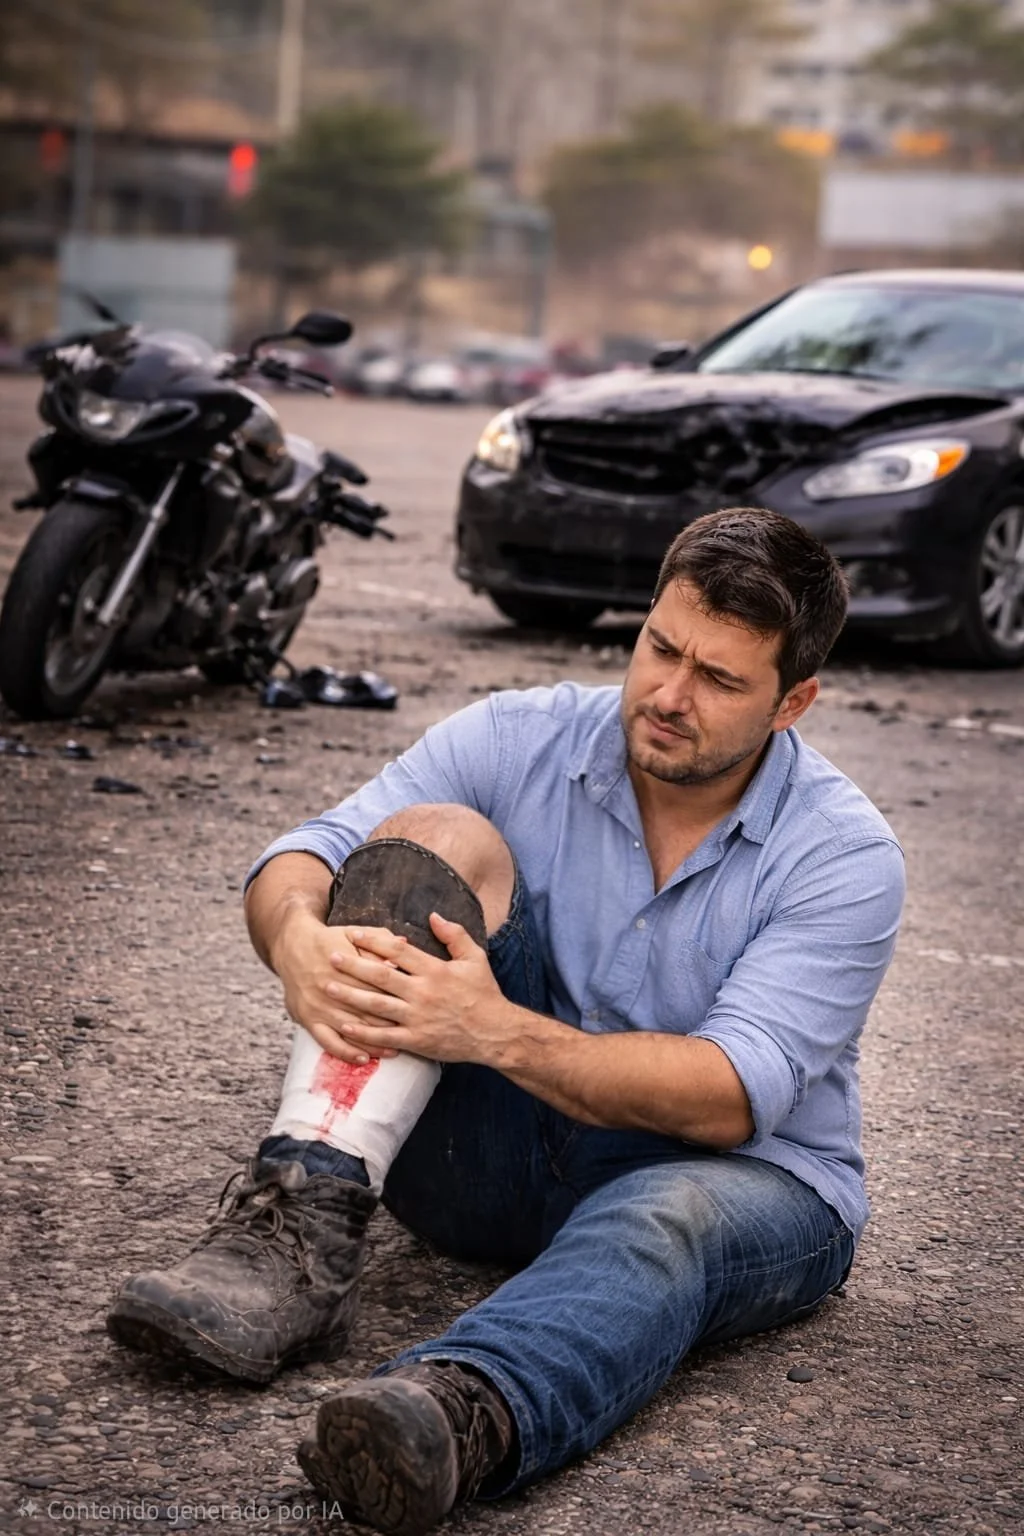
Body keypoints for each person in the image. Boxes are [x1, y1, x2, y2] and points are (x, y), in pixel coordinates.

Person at [107, 507, 905, 1536]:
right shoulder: (519, 735)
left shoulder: (843, 856)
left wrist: (490, 1032)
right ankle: (297, 1228)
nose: (667, 695)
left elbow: (727, 1096)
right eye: (659, 648)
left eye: (719, 679)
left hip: (733, 1179)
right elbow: (304, 853)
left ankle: (455, 1413)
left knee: (664, 1222)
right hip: (493, 1158)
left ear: (793, 700)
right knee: (430, 837)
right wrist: (297, 936)